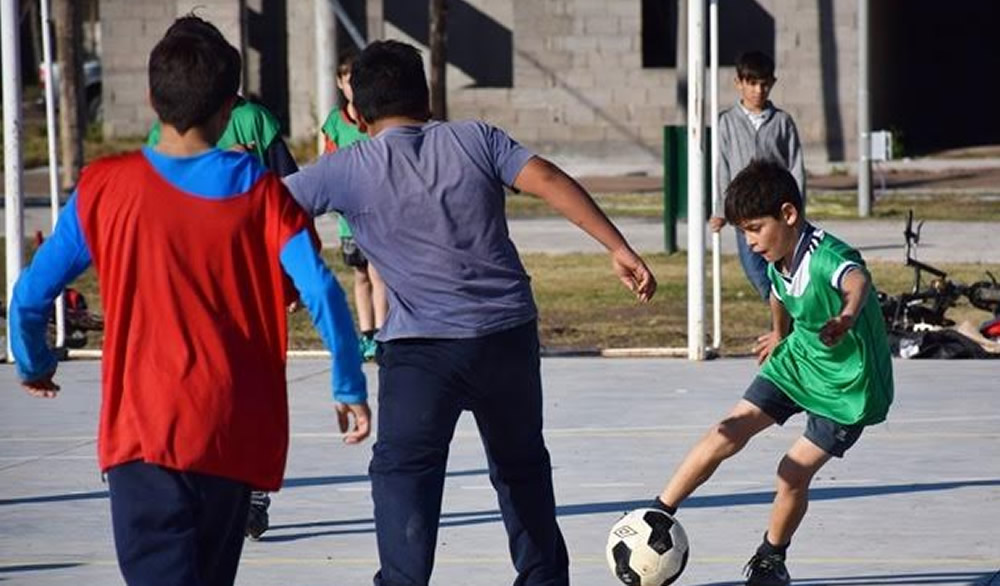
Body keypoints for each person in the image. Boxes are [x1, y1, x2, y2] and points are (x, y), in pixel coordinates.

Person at [9, 18, 370, 586]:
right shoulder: (260, 190)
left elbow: (30, 296)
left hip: (141, 437)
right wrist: (348, 382)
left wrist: (34, 361)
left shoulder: (105, 186)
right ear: (232, 107)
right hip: (229, 434)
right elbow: (322, 289)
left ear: (152, 97)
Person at [284, 40, 657, 586]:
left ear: (358, 114)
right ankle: (544, 579)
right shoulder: (475, 138)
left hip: (420, 355)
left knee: (405, 474)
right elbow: (548, 178)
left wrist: (281, 278)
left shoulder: (345, 168)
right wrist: (617, 246)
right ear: (429, 99)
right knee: (521, 466)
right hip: (506, 335)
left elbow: (263, 211)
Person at [651, 160, 894, 586]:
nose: (750, 241)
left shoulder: (827, 257)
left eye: (755, 228)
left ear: (788, 214)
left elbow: (857, 279)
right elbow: (780, 294)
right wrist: (779, 334)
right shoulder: (776, 256)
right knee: (726, 430)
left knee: (791, 473)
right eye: (742, 232)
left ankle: (771, 558)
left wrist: (848, 316)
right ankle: (657, 512)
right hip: (800, 359)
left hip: (849, 387)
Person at [146, 15, 304, 540]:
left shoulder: (253, 122)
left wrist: (291, 276)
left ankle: (251, 494)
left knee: (250, 389)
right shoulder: (163, 132)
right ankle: (188, 482)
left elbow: (290, 191)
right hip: (189, 286)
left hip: (250, 281)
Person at [712, 50, 806, 301]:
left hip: (775, 211)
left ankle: (784, 317)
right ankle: (779, 307)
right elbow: (722, 165)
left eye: (764, 84)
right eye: (752, 83)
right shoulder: (726, 122)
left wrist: (798, 206)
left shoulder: (783, 122)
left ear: (772, 83)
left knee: (783, 266)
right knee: (754, 268)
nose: (758, 90)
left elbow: (795, 164)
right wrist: (721, 210)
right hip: (744, 211)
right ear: (739, 83)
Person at [320, 49, 387, 361]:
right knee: (359, 275)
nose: (352, 87)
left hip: (376, 212)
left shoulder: (375, 116)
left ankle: (385, 335)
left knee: (378, 274)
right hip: (350, 217)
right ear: (339, 83)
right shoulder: (335, 122)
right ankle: (368, 334)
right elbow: (329, 161)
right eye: (347, 81)